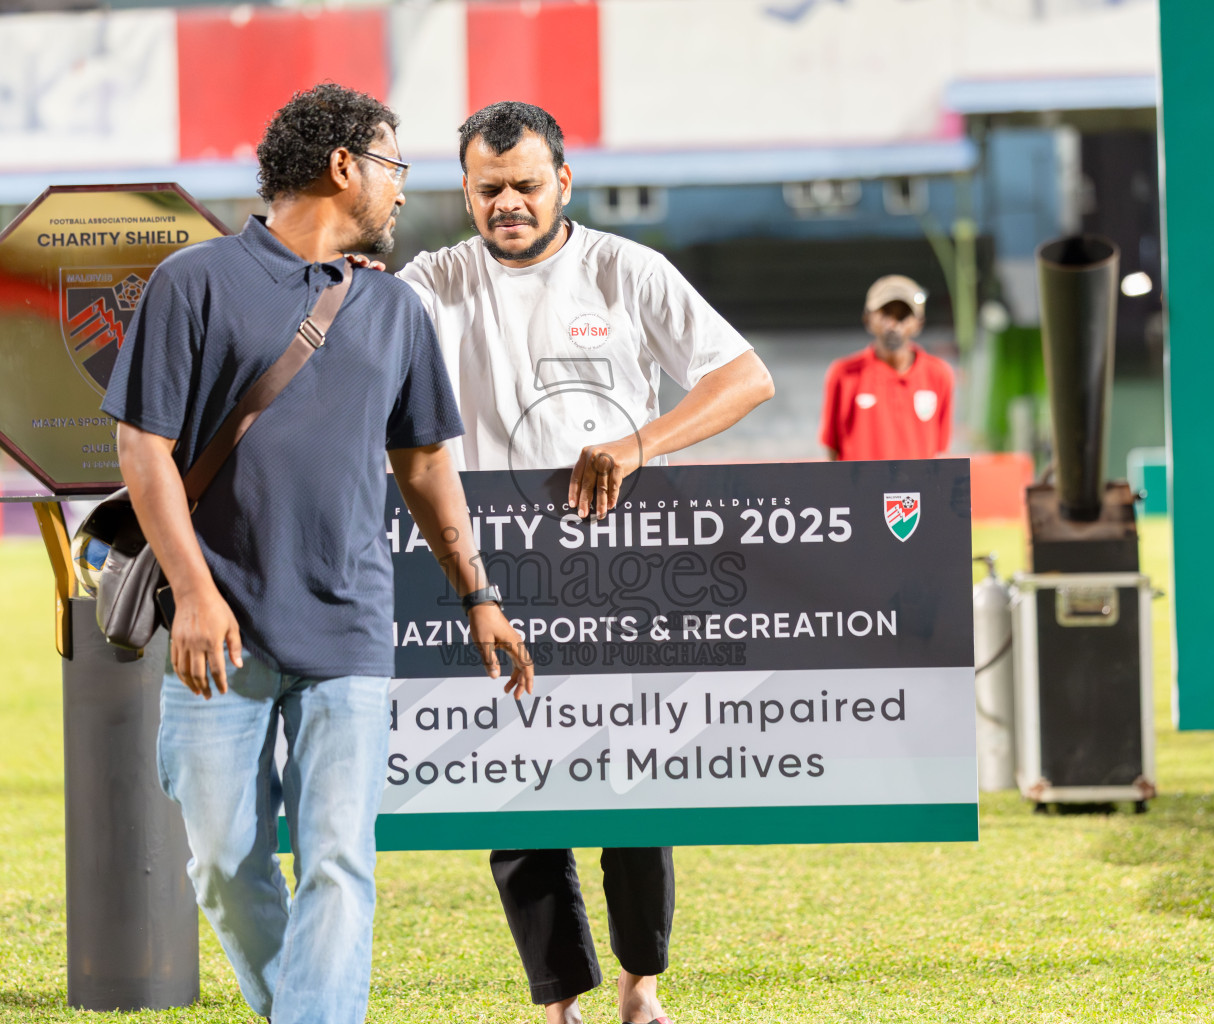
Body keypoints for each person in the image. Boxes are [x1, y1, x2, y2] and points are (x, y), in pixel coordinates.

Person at [102, 84, 533, 1024]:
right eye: (394, 166)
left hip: (350, 632)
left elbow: (426, 467)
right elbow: (143, 450)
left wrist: (479, 593)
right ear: (344, 167)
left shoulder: (395, 308)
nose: (403, 189)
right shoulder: (193, 282)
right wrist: (195, 594)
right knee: (222, 866)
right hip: (216, 631)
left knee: (338, 861)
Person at [395, 101, 774, 1024]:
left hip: (625, 570)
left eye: (526, 185)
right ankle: (559, 1001)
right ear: (466, 191)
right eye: (489, 188)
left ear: (563, 181)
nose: (508, 203)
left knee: (637, 781)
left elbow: (745, 377)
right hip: (494, 572)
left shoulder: (625, 270)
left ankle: (642, 988)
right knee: (514, 791)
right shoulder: (430, 282)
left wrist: (640, 444)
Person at [819, 274, 954, 461]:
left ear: (919, 323)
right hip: (860, 481)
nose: (893, 324)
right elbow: (832, 450)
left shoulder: (938, 374)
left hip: (915, 481)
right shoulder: (843, 374)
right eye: (885, 313)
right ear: (867, 318)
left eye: (903, 315)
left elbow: (939, 451)